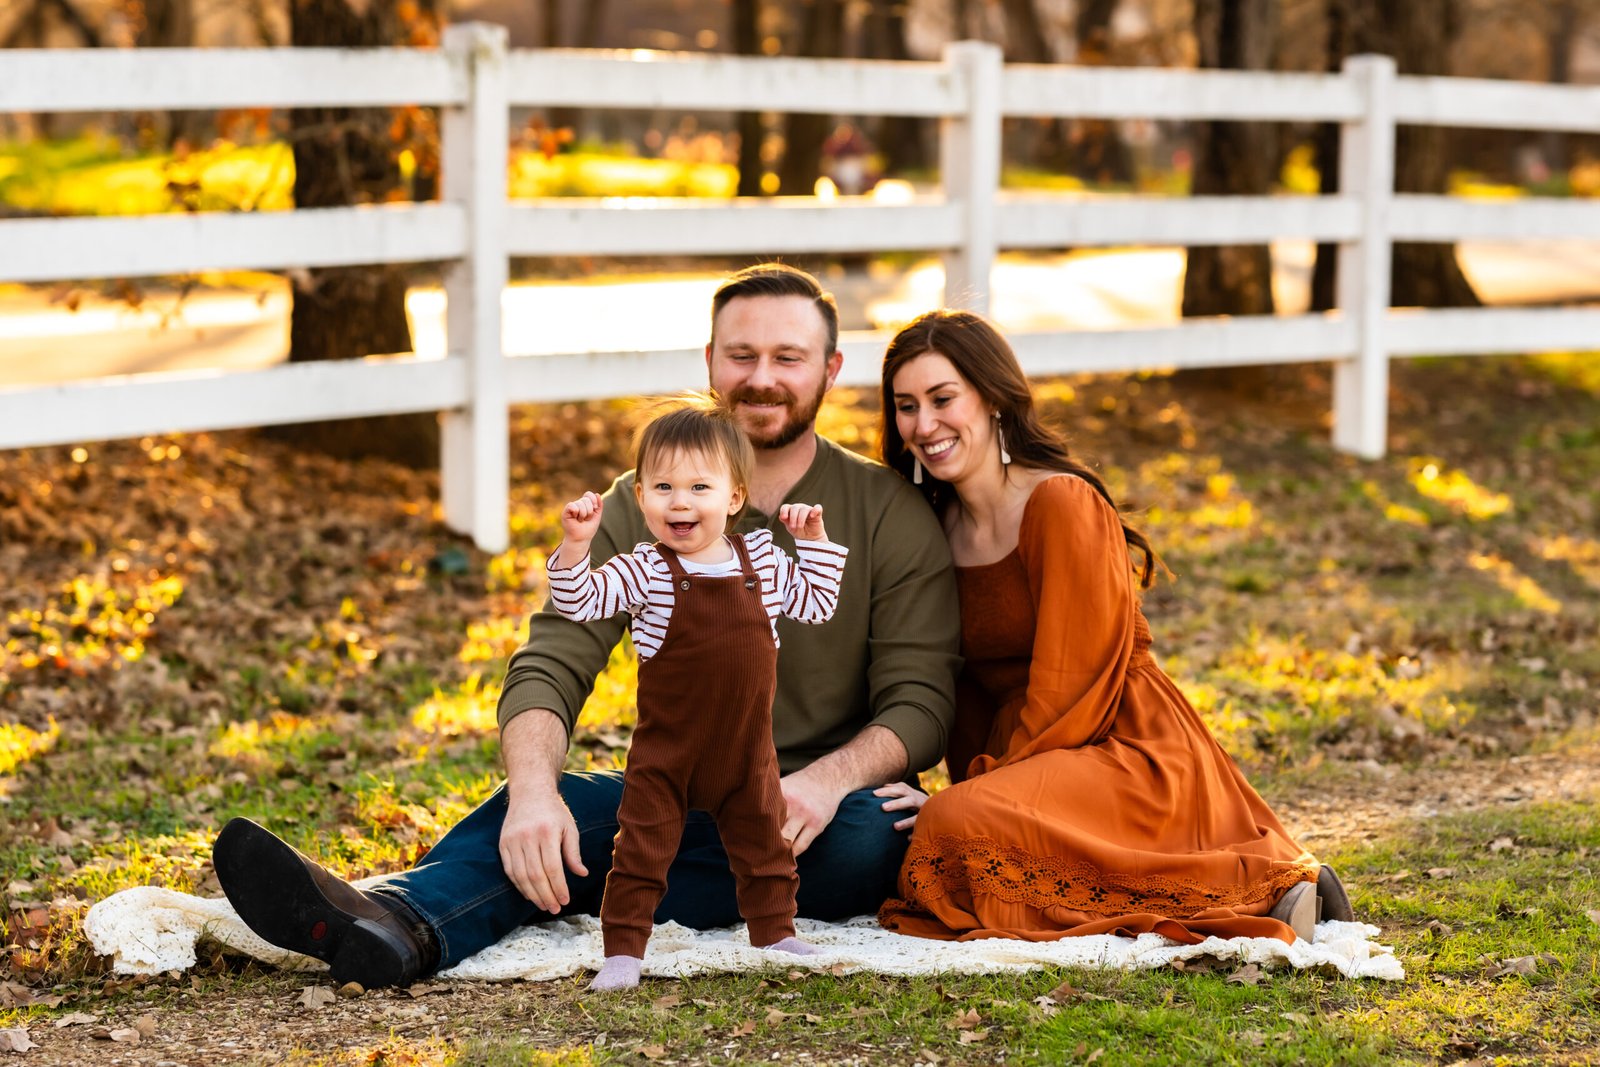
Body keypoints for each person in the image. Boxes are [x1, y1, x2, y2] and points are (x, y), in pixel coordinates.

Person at [212, 264, 961, 989]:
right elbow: (554, 658)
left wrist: (827, 783)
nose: (761, 376)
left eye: (787, 357)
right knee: (542, 810)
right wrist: (536, 792)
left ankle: (555, 886)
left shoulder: (884, 510)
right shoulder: (643, 505)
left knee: (871, 840)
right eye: (742, 354)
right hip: (672, 773)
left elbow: (920, 702)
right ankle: (395, 926)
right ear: (710, 361)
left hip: (816, 815)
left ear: (830, 369)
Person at [872, 309, 1353, 945]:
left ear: (991, 398)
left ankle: (1259, 893)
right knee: (944, 832)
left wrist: (981, 787)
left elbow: (1074, 686)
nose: (923, 425)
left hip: (1121, 742)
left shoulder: (1061, 503)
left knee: (955, 823)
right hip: (1032, 752)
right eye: (906, 406)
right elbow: (952, 679)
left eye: (942, 399)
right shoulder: (930, 525)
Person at [547, 399, 846, 989]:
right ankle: (625, 950)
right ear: (640, 499)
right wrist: (577, 546)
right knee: (641, 850)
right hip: (668, 754)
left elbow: (817, 604)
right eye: (662, 486)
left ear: (734, 497)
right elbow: (577, 603)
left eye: (699, 487)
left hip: (745, 750)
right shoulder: (646, 570)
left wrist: (813, 542)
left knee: (765, 844)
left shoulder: (760, 560)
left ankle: (775, 930)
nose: (680, 501)